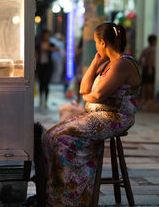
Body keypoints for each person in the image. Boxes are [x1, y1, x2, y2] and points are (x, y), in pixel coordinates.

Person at [41, 22, 141, 206]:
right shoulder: (107, 64)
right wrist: (95, 62)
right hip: (97, 115)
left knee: (63, 139)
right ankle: (54, 193)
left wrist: (90, 98)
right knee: (49, 135)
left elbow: (98, 94)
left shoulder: (122, 64)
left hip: (115, 117)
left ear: (102, 42)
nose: (96, 46)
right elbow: (84, 89)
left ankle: (70, 196)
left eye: (96, 42)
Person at [35, 30, 59, 108]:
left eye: (48, 35)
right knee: (41, 83)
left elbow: (57, 48)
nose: (46, 36)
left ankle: (45, 100)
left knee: (46, 83)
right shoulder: (38, 43)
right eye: (45, 35)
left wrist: (48, 48)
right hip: (40, 65)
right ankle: (41, 100)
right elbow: (35, 53)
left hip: (48, 66)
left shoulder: (51, 44)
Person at [138, 34, 157, 107]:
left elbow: (139, 60)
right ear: (154, 41)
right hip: (150, 68)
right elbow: (151, 59)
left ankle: (143, 100)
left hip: (145, 68)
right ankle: (149, 101)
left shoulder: (146, 49)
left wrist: (143, 66)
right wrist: (150, 68)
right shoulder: (153, 49)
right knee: (150, 85)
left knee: (144, 85)